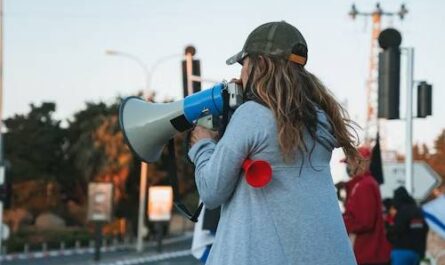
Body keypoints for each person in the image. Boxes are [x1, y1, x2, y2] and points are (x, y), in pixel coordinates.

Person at [188, 21, 360, 265]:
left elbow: (212, 191)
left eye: (244, 65)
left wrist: (202, 145)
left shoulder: (252, 115)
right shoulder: (321, 119)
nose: (240, 75)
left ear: (261, 64)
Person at [341, 146, 391, 265]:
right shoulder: (363, 184)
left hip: (367, 254)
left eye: (349, 162)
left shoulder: (364, 185)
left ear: (360, 162)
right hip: (368, 254)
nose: (347, 166)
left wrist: (340, 222)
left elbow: (365, 222)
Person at [387, 186, 429, 265]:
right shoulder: (418, 211)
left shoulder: (402, 211)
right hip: (417, 252)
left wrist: (388, 233)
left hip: (401, 250)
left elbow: (398, 229)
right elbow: (424, 229)